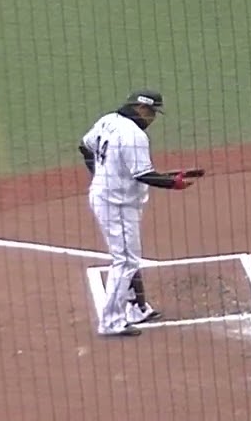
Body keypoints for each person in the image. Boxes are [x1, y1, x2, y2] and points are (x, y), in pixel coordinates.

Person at [78, 90, 202, 337]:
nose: (153, 118)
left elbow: (85, 147)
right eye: (152, 112)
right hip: (116, 204)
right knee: (126, 260)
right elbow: (143, 174)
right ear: (141, 109)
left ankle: (136, 309)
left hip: (111, 198)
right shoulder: (134, 135)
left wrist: (100, 175)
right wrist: (174, 183)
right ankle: (111, 322)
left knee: (127, 257)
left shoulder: (108, 120)